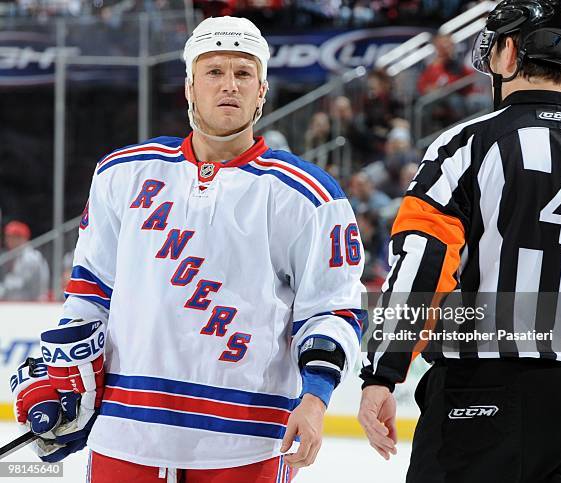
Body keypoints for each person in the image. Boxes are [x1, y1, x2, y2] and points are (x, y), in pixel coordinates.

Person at [10, 16, 365, 482]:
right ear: (189, 87)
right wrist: (68, 379)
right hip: (126, 432)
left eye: (243, 74)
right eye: (214, 72)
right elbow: (90, 292)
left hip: (247, 440)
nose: (229, 86)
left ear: (261, 92)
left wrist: (316, 399)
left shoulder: (307, 194)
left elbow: (332, 309)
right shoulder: (123, 174)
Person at [358, 0, 561, 481]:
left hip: (483, 393)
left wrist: (383, 371)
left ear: (509, 51)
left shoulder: (468, 144)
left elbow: (424, 261)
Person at [0, 220, 49, 301]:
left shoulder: (30, 257)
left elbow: (18, 283)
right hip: (24, 303)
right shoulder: (19, 255)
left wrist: (2, 288)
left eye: (12, 237)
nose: (7, 241)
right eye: (7, 237)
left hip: (35, 304)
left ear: (22, 238)